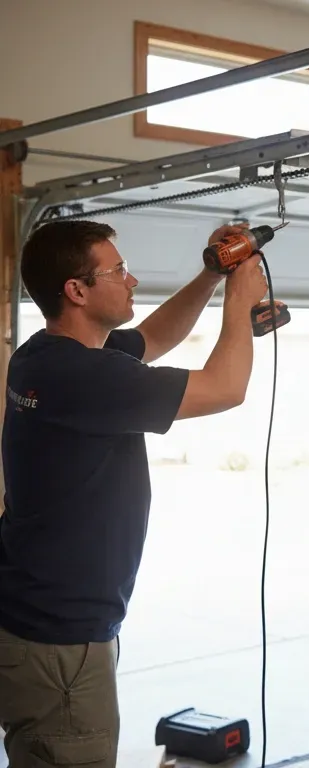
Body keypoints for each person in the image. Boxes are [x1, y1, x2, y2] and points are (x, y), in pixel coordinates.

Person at [0, 219, 268, 767]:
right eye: (118, 270)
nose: (132, 279)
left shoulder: (44, 356)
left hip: (37, 622)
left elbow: (155, 336)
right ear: (77, 291)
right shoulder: (86, 377)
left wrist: (211, 275)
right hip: (63, 645)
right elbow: (226, 387)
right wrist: (240, 301)